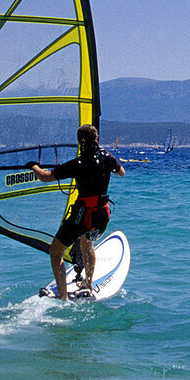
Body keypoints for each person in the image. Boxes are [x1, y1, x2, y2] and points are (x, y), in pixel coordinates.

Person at [29, 124, 124, 300]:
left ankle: (63, 297)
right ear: (97, 139)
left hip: (83, 215)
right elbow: (121, 173)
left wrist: (33, 166)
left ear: (81, 142)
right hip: (102, 214)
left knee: (56, 252)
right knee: (87, 243)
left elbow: (44, 176)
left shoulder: (77, 164)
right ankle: (88, 284)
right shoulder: (107, 158)